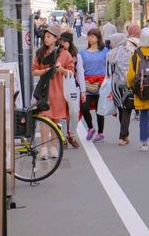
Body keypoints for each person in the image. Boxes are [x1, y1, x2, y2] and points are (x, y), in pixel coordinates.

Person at [32, 24, 75, 159]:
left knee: (55, 120)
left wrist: (61, 69)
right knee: (45, 118)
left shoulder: (64, 54)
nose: (46, 39)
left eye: (49, 37)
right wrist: (46, 70)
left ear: (56, 38)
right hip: (45, 90)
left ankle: (54, 148)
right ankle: (44, 148)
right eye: (45, 36)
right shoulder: (40, 53)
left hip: (59, 91)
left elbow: (71, 72)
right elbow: (34, 71)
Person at [106, 30, 138, 146]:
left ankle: (124, 135)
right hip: (128, 85)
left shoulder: (111, 54)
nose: (110, 44)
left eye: (111, 42)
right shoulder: (131, 52)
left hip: (116, 85)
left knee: (121, 109)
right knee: (126, 109)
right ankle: (122, 136)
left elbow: (108, 72)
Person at [80, 28, 109, 142]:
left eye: (92, 36)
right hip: (87, 83)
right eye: (89, 36)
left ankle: (100, 133)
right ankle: (90, 128)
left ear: (98, 38)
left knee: (99, 109)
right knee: (85, 107)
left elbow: (109, 66)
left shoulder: (105, 51)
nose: (90, 38)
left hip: (101, 84)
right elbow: (80, 69)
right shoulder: (82, 53)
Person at [59, 31, 85, 148]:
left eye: (65, 41)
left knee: (74, 112)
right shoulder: (57, 53)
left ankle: (72, 135)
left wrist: (83, 91)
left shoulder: (76, 55)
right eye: (61, 41)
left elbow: (80, 73)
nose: (63, 44)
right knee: (61, 113)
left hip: (73, 86)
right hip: (59, 86)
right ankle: (62, 136)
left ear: (70, 42)